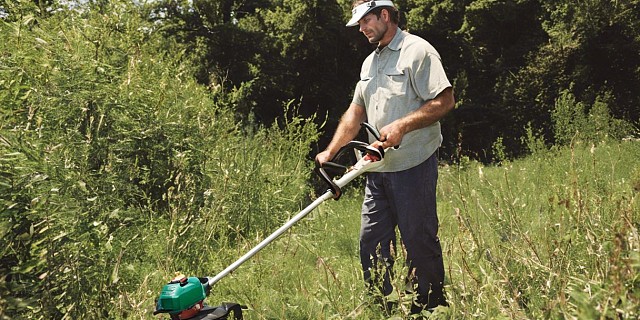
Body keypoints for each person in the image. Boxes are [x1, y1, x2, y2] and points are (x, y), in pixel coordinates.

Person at [315, 0, 455, 314]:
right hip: (376, 168)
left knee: (418, 241)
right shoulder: (369, 63)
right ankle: (382, 305)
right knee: (371, 242)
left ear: (385, 15)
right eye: (359, 25)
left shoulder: (418, 52)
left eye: (366, 22)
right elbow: (355, 112)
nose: (362, 29)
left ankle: (431, 306)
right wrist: (332, 150)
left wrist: (402, 125)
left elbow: (445, 101)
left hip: (413, 165)